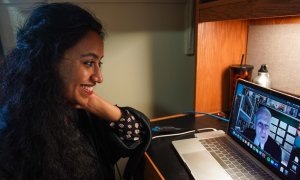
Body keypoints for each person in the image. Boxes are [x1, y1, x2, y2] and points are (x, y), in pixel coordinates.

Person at [0, 3, 151, 180]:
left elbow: (135, 134)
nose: (99, 78)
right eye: (88, 62)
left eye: (99, 63)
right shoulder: (10, 139)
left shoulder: (74, 108)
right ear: (47, 61)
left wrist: (90, 100)